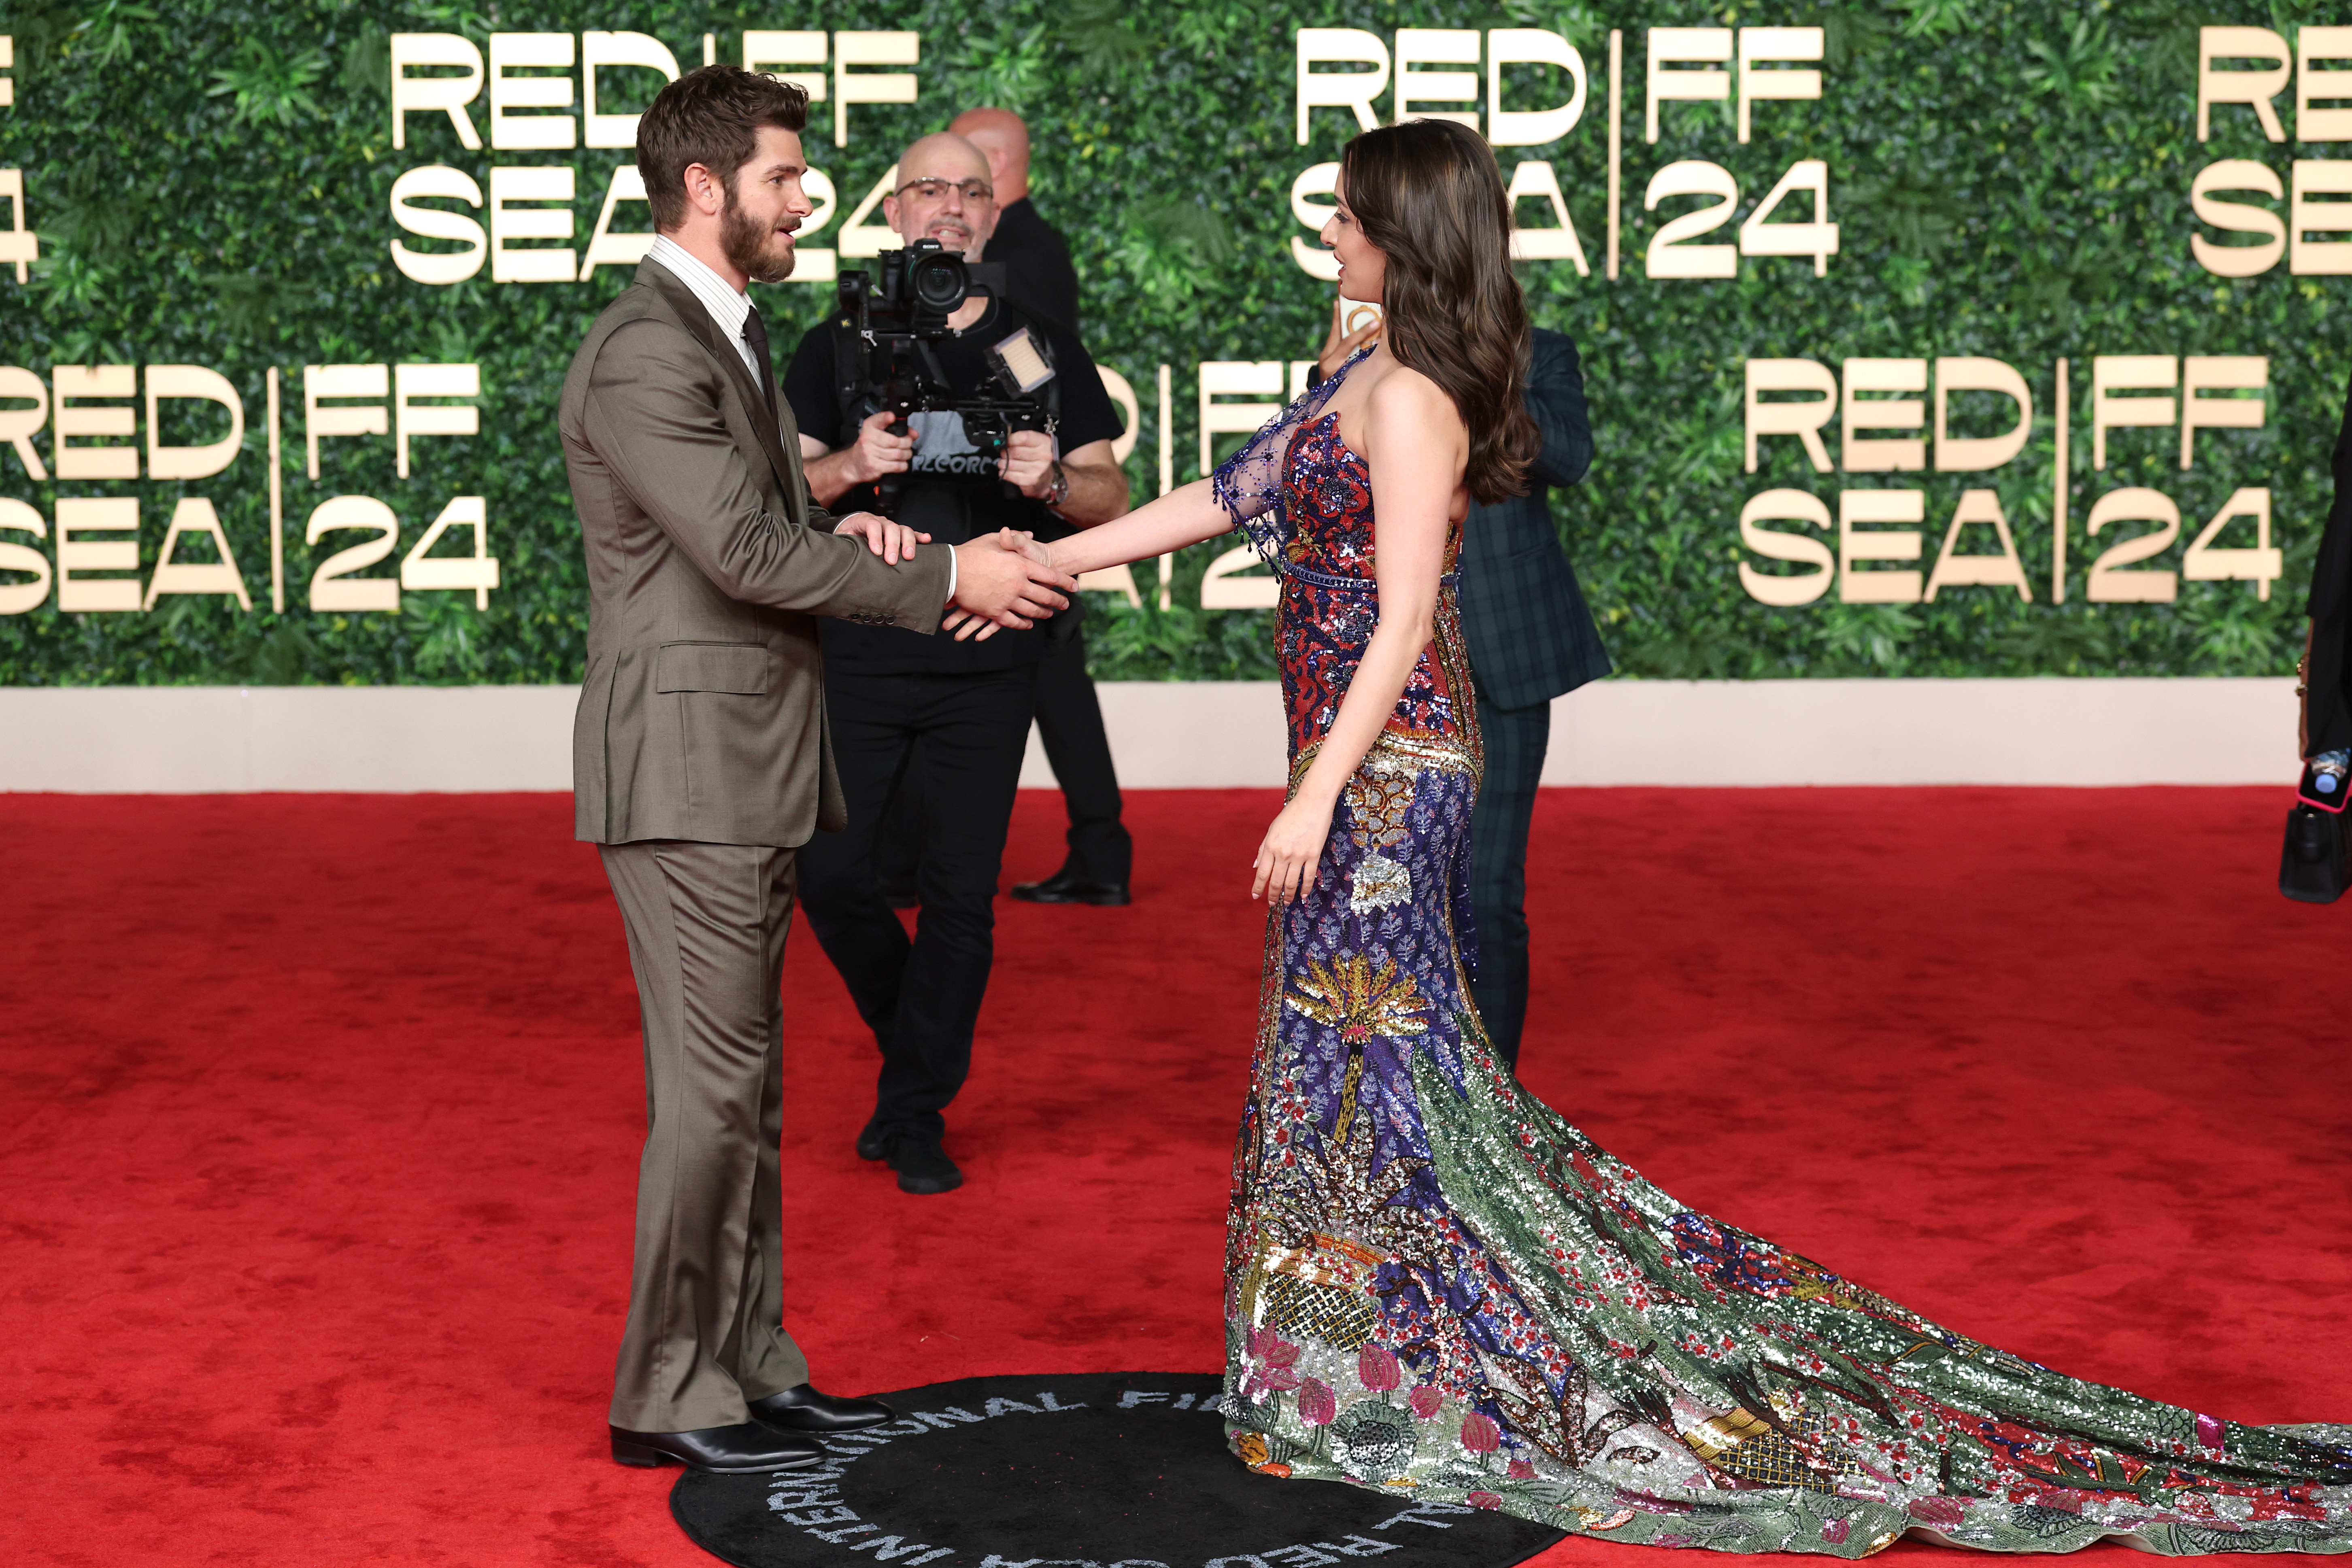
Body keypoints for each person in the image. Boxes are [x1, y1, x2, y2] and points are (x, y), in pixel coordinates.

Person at [1014, 118, 2352, 1552]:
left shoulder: (1410, 402)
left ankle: (1379, 1362)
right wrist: (1040, 560)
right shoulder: (1358, 367)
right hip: (1351, 750)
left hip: (1392, 765)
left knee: (1372, 1060)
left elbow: (1407, 619)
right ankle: (1341, 1357)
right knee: (1347, 1058)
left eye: (1345, 218)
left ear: (1401, 234)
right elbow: (1217, 502)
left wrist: (1317, 791)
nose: (1328, 237)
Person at [559, 67, 1074, 1475]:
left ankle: (752, 1364)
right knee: (716, 1092)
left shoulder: (719, 328)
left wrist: (872, 540)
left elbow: (756, 533)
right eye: (788, 179)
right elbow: (737, 553)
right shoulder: (646, 348)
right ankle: (669, 1388)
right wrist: (948, 565)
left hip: (745, 761)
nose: (809, 201)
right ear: (711, 188)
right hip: (687, 768)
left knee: (749, 1088)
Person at [783, 131, 1129, 1196]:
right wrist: (853, 466)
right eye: (928, 188)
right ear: (893, 212)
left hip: (991, 655)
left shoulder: (1037, 345)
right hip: (863, 644)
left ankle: (916, 1110)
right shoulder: (836, 342)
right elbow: (783, 492)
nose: (949, 207)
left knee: (959, 898)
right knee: (829, 874)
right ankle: (914, 1050)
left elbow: (1105, 491)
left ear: (993, 213)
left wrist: (1049, 483)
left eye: (970, 191)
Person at [1311, 304, 1603, 1069]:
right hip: (1381, 659)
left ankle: (1490, 1105)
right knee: (1375, 884)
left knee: (1487, 889)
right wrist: (1327, 387)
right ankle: (1388, 1089)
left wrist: (1468, 369)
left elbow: (1570, 457)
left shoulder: (1538, 353)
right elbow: (1314, 489)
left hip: (1497, 651)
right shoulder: (1367, 359)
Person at [950, 105, 1135, 907]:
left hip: (1027, 506)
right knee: (1060, 689)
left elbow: (1031, 375)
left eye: (963, 172)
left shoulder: (1018, 257)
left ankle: (1098, 851)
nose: (951, 202)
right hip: (1027, 501)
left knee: (1055, 685)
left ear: (995, 166)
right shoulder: (1033, 245)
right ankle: (1099, 851)